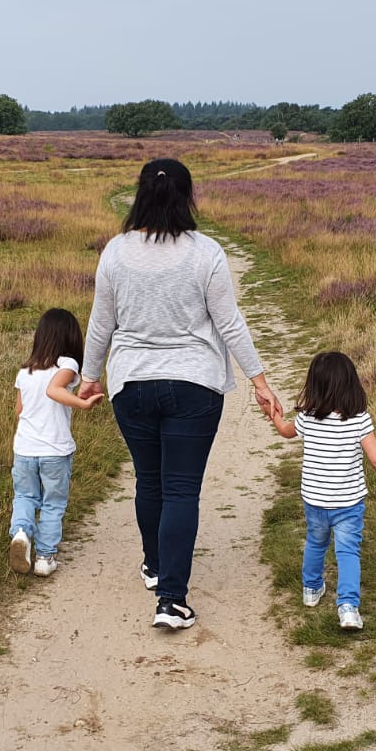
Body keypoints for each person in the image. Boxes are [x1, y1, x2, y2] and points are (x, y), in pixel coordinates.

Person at [79, 158, 280, 630]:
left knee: (149, 482)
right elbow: (229, 323)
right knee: (181, 489)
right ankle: (171, 600)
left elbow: (101, 323)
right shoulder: (205, 252)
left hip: (131, 384)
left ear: (140, 194)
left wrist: (90, 376)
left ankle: (154, 565)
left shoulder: (115, 252)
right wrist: (259, 381)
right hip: (194, 384)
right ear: (187, 196)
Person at [262, 350, 376, 630]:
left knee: (315, 543)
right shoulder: (358, 419)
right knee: (347, 552)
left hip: (315, 500)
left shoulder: (307, 418)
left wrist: (274, 415)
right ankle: (347, 607)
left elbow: (286, 431)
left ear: (314, 385)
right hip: (348, 502)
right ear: (350, 384)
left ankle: (311, 589)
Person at [10, 307, 103, 577]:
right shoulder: (68, 365)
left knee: (25, 496)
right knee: (53, 502)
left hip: (24, 449)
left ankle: (21, 533)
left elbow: (19, 411)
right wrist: (82, 404)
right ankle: (45, 557)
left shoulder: (25, 370)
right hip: (54, 450)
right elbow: (54, 390)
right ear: (70, 337)